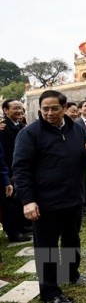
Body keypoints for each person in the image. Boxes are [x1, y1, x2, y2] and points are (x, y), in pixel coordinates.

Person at [13, 90, 86, 303]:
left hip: (73, 197)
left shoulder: (76, 130)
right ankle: (50, 292)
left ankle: (71, 274)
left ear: (64, 108)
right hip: (45, 202)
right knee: (47, 248)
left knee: (72, 239)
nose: (49, 113)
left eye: (54, 109)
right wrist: (28, 200)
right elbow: (21, 169)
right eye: (45, 109)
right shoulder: (30, 134)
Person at [0, 99, 32, 242]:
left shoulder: (22, 125)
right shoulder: (2, 128)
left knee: (19, 199)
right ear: (6, 111)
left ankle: (22, 225)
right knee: (9, 204)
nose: (19, 111)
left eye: (20, 108)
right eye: (15, 108)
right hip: (9, 171)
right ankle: (13, 232)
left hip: (21, 170)